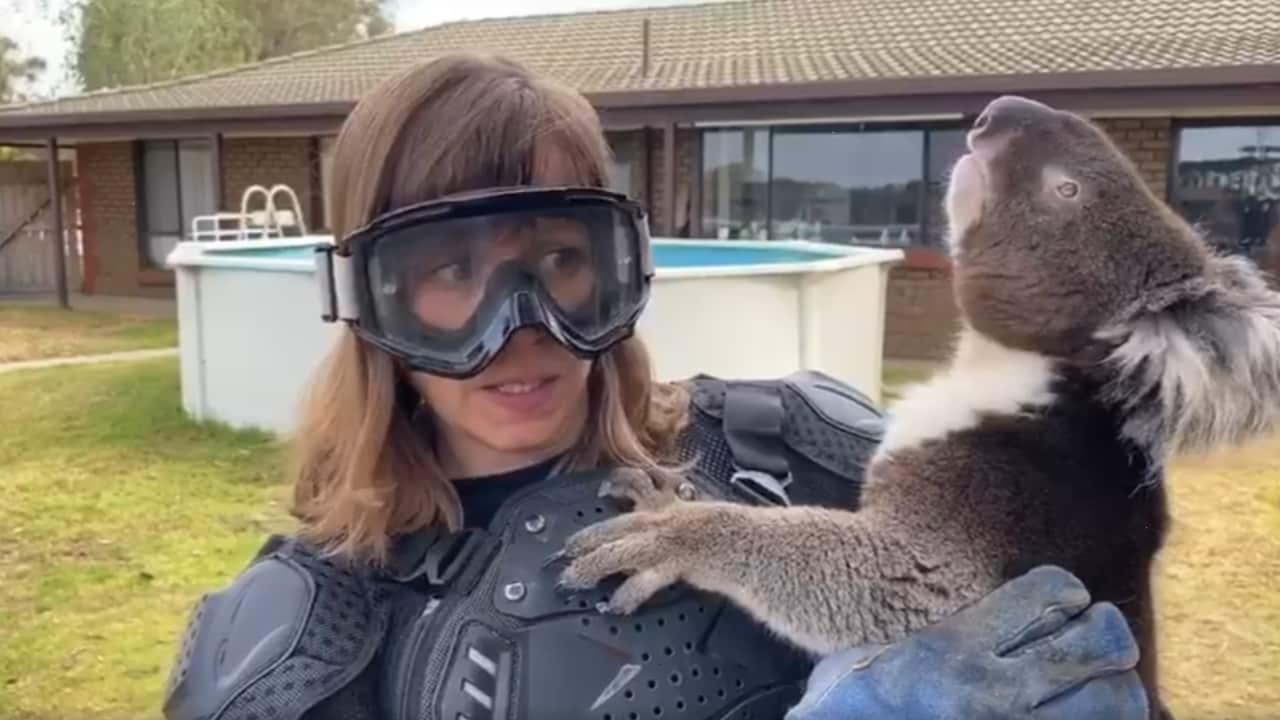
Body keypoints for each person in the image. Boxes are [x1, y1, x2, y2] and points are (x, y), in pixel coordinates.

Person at [161, 51, 1151, 720]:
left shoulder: (805, 453)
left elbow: (1087, 636)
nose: (522, 332)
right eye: (452, 273)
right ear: (370, 300)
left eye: (559, 259)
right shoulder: (297, 650)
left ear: (619, 268)